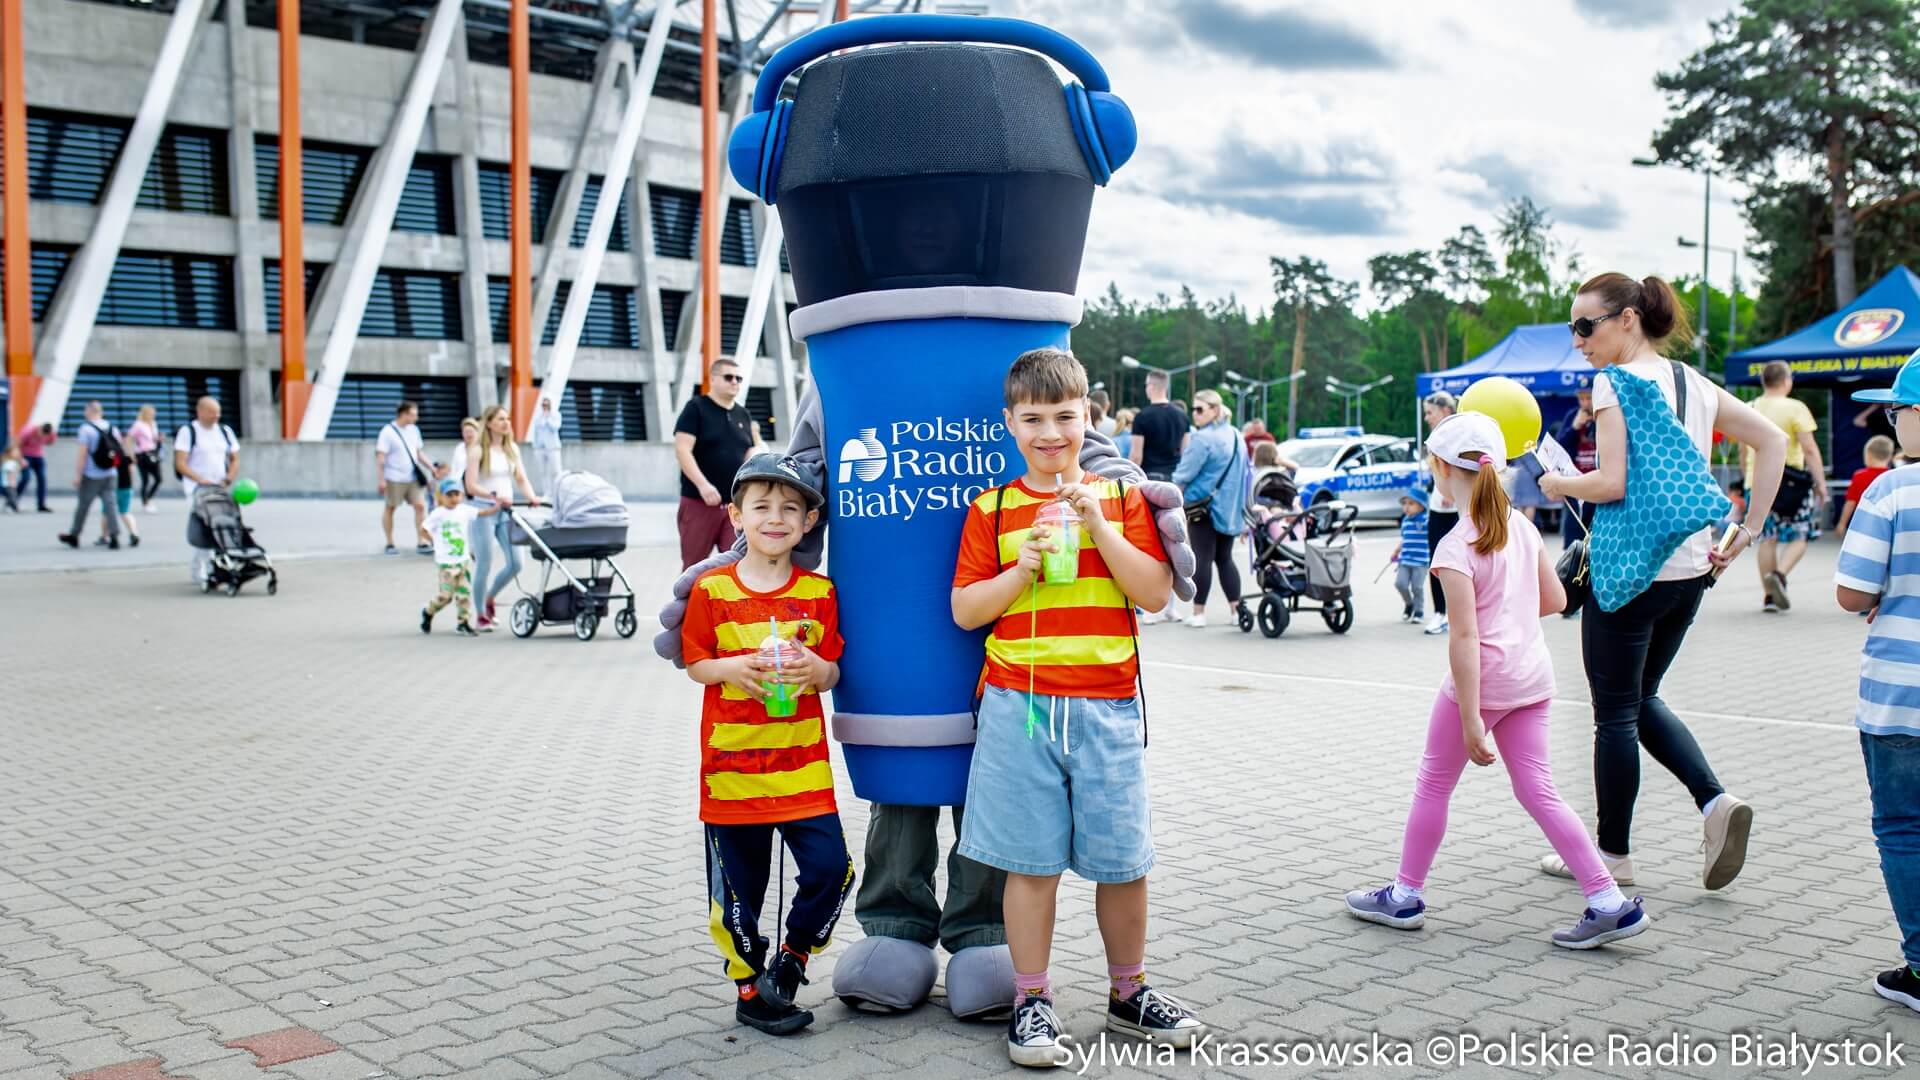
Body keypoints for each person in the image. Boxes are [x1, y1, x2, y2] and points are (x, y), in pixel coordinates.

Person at [950, 348, 1205, 1067]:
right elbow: (966, 610)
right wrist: (1019, 571)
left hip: (1108, 707)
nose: (1050, 433)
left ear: (1087, 416)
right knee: (1030, 867)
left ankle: (1129, 993)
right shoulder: (992, 509)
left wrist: (1099, 526)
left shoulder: (1122, 499)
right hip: (1020, 708)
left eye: (1064, 417)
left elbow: (1154, 592)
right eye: (1032, 419)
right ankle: (1032, 1001)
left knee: (1123, 863)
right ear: (1010, 423)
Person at [1346, 412, 1648, 948]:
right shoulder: (1523, 528)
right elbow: (1555, 600)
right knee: (1540, 790)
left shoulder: (1456, 546)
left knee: (1433, 783)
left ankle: (1405, 895)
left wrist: (1470, 720)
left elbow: (1464, 639)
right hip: (1531, 677)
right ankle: (1608, 901)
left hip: (1485, 683)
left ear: (1443, 469)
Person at [1537, 272, 1787, 892]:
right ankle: (1715, 803)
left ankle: (1612, 857)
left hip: (1629, 573)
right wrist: (1748, 529)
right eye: (1572, 327)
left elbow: (1612, 483)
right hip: (1691, 572)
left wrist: (1558, 483)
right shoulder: (1689, 381)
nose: (1577, 340)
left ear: (1627, 319)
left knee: (1615, 716)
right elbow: (1773, 440)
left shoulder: (1613, 382)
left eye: (1585, 326)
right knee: (1642, 698)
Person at [682, 452, 853, 1037]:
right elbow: (696, 663)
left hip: (803, 770)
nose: (775, 518)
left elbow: (831, 670)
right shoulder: (710, 589)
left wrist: (817, 671)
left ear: (809, 522)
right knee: (738, 895)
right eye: (761, 507)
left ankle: (793, 957)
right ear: (737, 517)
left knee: (833, 870)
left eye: (790, 508)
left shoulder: (819, 593)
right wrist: (732, 668)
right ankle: (750, 990)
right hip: (731, 774)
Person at [1834, 352, 1920, 1014]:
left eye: (1896, 410)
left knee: (1903, 825)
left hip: (1900, 696)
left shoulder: (1891, 491)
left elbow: (1852, 592)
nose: (1892, 421)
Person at [1748, 361, 1827, 612]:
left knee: (1767, 537)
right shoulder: (1795, 408)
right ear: (1786, 381)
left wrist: (1747, 477)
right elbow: (1809, 448)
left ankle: (1770, 596)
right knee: (1801, 534)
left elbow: (1742, 449)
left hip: (1756, 480)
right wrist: (1821, 483)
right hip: (1790, 482)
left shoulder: (1750, 407)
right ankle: (1779, 575)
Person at [1167, 389, 1246, 628]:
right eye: (1194, 409)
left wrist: (1171, 500)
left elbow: (1184, 474)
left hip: (1203, 507)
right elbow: (1245, 472)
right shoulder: (1236, 435)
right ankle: (1236, 611)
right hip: (1230, 508)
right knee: (1225, 559)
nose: (1195, 414)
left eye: (1200, 409)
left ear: (1214, 409)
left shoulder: (1202, 438)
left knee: (1202, 558)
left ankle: (1199, 612)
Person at [674, 357, 763, 569]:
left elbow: (752, 448)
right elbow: (682, 449)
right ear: (713, 379)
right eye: (728, 377)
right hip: (699, 503)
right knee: (694, 568)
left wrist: (756, 451)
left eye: (738, 378)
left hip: (735, 506)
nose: (734, 382)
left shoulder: (743, 414)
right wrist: (703, 485)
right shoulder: (696, 408)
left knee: (736, 565)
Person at [467, 404, 543, 631]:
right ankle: (481, 615)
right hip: (484, 511)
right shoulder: (478, 450)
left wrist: (532, 497)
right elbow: (470, 485)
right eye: (500, 419)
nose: (506, 423)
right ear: (489, 423)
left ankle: (490, 597)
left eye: (507, 419)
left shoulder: (511, 449)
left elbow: (521, 478)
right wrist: (493, 496)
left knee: (516, 563)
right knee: (484, 563)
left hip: (506, 511)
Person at [174, 396, 240, 586]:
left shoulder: (224, 431)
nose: (216, 416)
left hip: (219, 487)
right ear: (200, 411)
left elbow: (235, 458)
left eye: (218, 412)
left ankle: (212, 566)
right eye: (212, 412)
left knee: (220, 526)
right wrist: (199, 479)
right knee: (204, 526)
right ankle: (204, 569)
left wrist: (229, 478)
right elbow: (180, 463)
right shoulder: (188, 432)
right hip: (197, 488)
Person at [420, 477, 496, 637]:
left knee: (464, 593)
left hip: (463, 562)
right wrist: (435, 542)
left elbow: (482, 513)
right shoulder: (438, 514)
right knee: (445, 596)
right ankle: (428, 611)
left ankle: (463, 623)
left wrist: (497, 506)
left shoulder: (464, 510)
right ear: (441, 497)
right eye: (449, 495)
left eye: (457, 494)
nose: (454, 498)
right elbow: (423, 530)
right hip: (446, 564)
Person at [59, 401, 123, 550]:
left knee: (83, 506)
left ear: (89, 411)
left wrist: (78, 475)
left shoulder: (86, 429)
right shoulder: (112, 428)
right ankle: (114, 536)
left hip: (91, 474)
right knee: (110, 505)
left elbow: (82, 454)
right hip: (110, 473)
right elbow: (119, 450)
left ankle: (75, 535)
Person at [1420, 391, 1459, 635]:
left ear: (1445, 410)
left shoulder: (1459, 432)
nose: (1426, 418)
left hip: (1458, 509)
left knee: (1461, 562)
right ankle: (1440, 613)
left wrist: (1451, 492)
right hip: (1438, 509)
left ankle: (1459, 613)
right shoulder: (1435, 436)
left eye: (1429, 412)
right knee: (1436, 561)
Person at [376, 401, 434, 557]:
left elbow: (418, 452)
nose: (416, 418)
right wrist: (381, 480)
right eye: (413, 414)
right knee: (391, 507)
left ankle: (422, 541)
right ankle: (390, 543)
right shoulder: (387, 432)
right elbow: (380, 457)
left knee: (420, 506)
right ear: (403, 414)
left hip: (412, 476)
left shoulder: (414, 430)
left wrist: (431, 468)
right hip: (394, 477)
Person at [1553, 388, 1599, 550]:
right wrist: (1574, 427)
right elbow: (1558, 447)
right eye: (1581, 399)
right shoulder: (1573, 415)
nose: (1585, 403)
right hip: (1574, 480)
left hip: (1597, 480)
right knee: (1574, 528)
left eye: (1589, 398)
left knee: (1595, 528)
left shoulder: (1603, 415)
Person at [1127, 370, 1188, 482]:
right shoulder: (1182, 416)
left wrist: (1129, 480)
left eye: (1146, 385)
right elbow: (1185, 452)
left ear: (1151, 387)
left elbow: (1136, 457)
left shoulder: (1142, 416)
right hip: (1174, 478)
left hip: (1149, 477)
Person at [1839, 434, 1895, 538]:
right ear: (1890, 457)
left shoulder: (1859, 476)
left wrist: (1842, 524)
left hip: (1863, 524)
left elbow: (1850, 503)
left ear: (1868, 455)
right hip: (1887, 525)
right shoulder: (1893, 476)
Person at [1392, 488, 1429, 624]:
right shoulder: (1405, 521)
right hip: (1405, 560)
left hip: (1421, 561)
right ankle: (1409, 604)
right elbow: (1405, 538)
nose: (1406, 507)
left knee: (1417, 587)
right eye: (1404, 503)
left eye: (1411, 504)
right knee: (1400, 584)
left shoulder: (1426, 521)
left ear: (1421, 506)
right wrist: (1396, 551)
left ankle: (1419, 610)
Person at [99, 439, 141, 548]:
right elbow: (131, 471)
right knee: (125, 512)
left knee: (106, 512)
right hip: (126, 487)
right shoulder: (127, 458)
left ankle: (104, 536)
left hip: (112, 487)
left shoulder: (111, 456)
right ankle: (134, 533)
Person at [125, 404, 163, 512]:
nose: (153, 415)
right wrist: (131, 454)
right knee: (145, 480)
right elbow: (128, 439)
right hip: (142, 455)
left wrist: (158, 439)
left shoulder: (153, 423)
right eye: (151, 413)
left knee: (158, 479)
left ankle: (149, 498)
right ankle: (145, 503)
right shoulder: (138, 425)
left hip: (153, 453)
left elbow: (152, 439)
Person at [13, 420, 54, 512]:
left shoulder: (50, 433)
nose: (42, 437)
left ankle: (41, 505)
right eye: (41, 434)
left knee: (42, 479)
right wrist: (21, 459)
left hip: (38, 456)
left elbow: (50, 442)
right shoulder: (28, 431)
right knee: (26, 478)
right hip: (25, 456)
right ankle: (13, 500)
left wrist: (49, 440)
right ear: (39, 428)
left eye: (44, 436)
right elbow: (16, 446)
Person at [529, 396, 564, 498]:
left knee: (556, 471)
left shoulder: (555, 415)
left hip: (553, 447)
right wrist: (535, 446)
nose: (544, 406)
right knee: (543, 472)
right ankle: (547, 493)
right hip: (540, 447)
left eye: (546, 405)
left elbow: (555, 428)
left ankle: (558, 492)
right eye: (543, 405)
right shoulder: (538, 416)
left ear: (550, 405)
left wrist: (547, 418)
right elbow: (535, 431)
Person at [447, 417, 480, 495]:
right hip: (458, 486)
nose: (469, 434)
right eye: (466, 432)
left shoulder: (480, 448)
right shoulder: (459, 448)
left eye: (471, 431)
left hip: (476, 485)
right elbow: (454, 468)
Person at [1, 446, 19, 512]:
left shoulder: (12, 462)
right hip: (9, 484)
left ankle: (7, 506)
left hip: (9, 483)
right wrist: (12, 482)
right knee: (12, 496)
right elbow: (9, 473)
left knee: (10, 496)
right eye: (15, 452)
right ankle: (15, 508)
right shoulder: (9, 462)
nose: (17, 453)